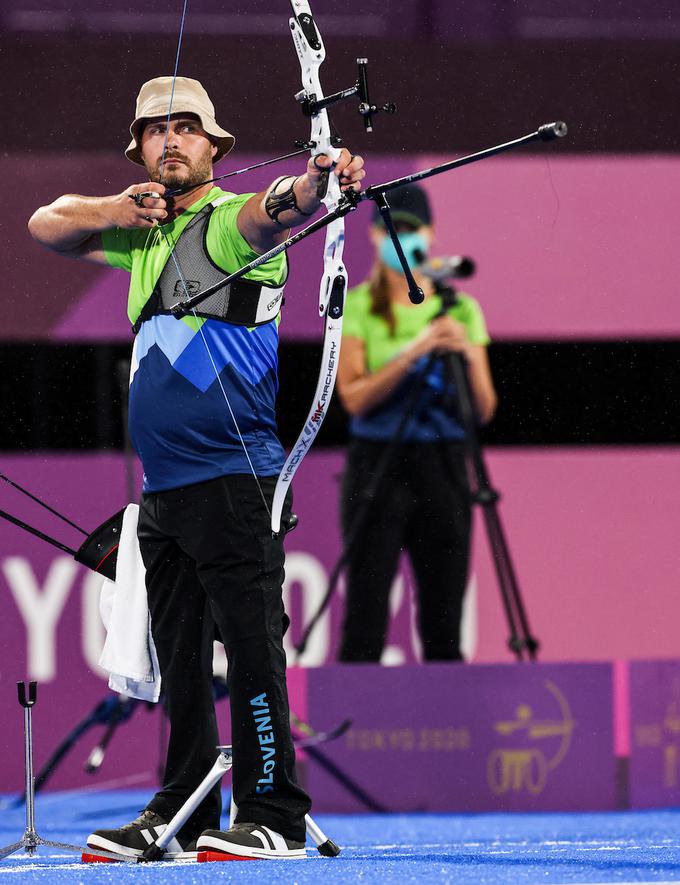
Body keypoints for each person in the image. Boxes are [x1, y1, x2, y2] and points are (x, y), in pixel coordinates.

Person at [28, 75, 365, 860]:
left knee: (250, 644)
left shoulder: (225, 226)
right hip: (166, 490)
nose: (169, 140)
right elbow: (45, 223)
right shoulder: (140, 231)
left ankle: (274, 809)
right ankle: (183, 801)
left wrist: (316, 178)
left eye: (186, 128)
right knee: (176, 654)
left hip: (234, 478)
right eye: (155, 131)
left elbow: (276, 205)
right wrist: (116, 208)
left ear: (216, 146)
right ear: (139, 149)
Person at [336, 184, 497, 664]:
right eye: (393, 229)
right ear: (374, 235)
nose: (402, 238)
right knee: (365, 613)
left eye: (411, 229)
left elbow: (484, 408)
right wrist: (417, 351)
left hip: (443, 466)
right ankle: (352, 732)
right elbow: (354, 398)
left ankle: (446, 730)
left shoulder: (461, 309)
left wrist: (466, 353)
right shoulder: (360, 306)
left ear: (430, 233)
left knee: (444, 618)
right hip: (377, 466)